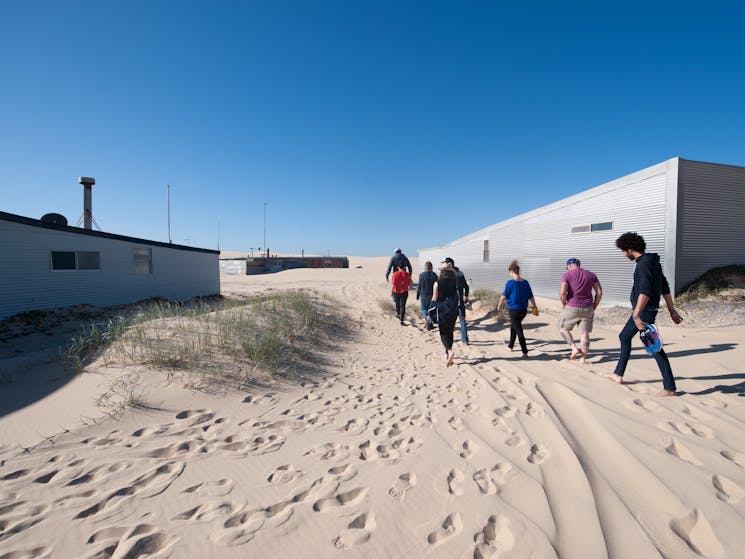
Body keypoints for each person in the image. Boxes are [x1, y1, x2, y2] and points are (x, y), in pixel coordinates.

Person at [605, 232, 683, 396]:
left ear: (630, 249)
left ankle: (669, 388)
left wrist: (636, 314)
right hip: (646, 310)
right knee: (625, 337)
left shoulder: (644, 264)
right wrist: (672, 310)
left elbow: (645, 291)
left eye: (623, 251)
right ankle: (618, 374)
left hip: (644, 312)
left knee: (654, 347)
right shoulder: (652, 261)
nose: (623, 254)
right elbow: (665, 287)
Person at [558, 258, 603, 364]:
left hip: (572, 306)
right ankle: (583, 358)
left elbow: (563, 292)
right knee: (584, 333)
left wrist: (564, 304)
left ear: (569, 266)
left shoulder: (567, 275)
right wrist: (594, 306)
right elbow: (599, 292)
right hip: (588, 307)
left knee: (562, 327)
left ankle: (573, 348)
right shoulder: (591, 275)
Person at [496, 260, 537, 358]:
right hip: (523, 310)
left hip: (514, 310)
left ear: (511, 271)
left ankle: (525, 351)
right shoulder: (526, 282)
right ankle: (510, 346)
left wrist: (499, 306)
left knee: (519, 330)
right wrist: (535, 308)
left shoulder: (510, 283)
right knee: (514, 326)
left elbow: (503, 296)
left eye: (509, 272)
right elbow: (531, 297)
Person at [432, 264, 459, 366]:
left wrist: (431, 310)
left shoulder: (437, 282)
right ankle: (447, 354)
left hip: (442, 310)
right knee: (450, 331)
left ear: (442, 272)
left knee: (443, 332)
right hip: (453, 309)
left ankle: (449, 351)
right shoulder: (455, 282)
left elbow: (434, 298)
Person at [442, 257, 470, 345]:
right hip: (460, 300)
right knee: (462, 321)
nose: (445, 265)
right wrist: (466, 295)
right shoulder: (460, 273)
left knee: (450, 321)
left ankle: (450, 340)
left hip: (451, 302)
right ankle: (465, 340)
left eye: (446, 263)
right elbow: (466, 286)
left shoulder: (447, 274)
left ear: (450, 264)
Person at [416, 261, 438, 330]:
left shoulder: (422, 275)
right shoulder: (434, 275)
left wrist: (417, 294)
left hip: (424, 294)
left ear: (425, 267)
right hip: (432, 294)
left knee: (424, 309)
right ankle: (430, 322)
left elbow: (419, 286)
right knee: (430, 309)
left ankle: (429, 323)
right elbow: (437, 285)